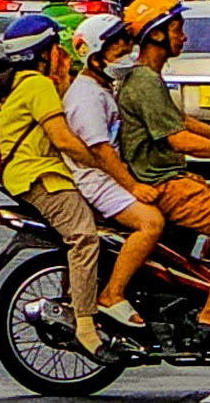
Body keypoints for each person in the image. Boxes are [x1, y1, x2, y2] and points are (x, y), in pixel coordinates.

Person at [111, 0, 210, 339]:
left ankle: (203, 291)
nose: (184, 36)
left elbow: (182, 121)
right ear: (158, 34)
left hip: (171, 177)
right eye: (178, 28)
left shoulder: (148, 78)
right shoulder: (144, 81)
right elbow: (178, 140)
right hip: (162, 183)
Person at [0, 12, 103, 358]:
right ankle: (84, 323)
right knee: (84, 237)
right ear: (42, 53)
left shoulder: (22, 84)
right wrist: (107, 164)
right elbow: (64, 140)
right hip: (40, 178)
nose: (63, 55)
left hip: (31, 174)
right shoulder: (36, 85)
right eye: (56, 48)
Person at [60, 16, 163, 328]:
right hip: (98, 179)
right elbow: (100, 153)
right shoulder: (85, 96)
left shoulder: (103, 87)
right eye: (115, 46)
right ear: (93, 56)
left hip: (113, 172)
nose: (125, 50)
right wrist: (133, 187)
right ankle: (112, 293)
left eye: (124, 42)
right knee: (150, 223)